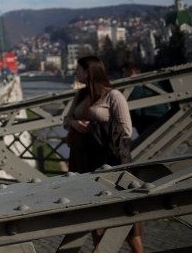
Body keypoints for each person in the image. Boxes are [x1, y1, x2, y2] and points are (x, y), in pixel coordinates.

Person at [64, 56, 142, 253]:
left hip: (108, 161)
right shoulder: (80, 94)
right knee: (95, 218)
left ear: (89, 71)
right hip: (83, 161)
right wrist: (75, 124)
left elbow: (126, 130)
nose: (76, 72)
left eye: (79, 69)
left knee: (125, 218)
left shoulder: (114, 96)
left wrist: (94, 127)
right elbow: (66, 119)